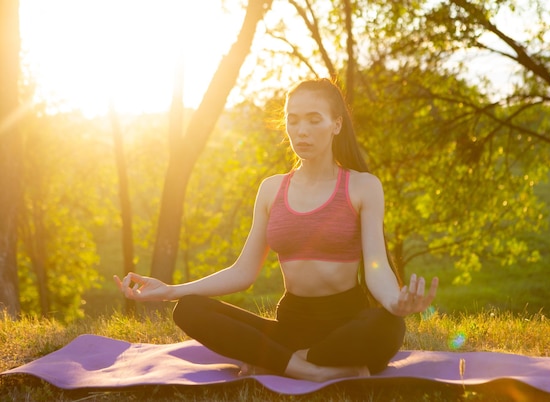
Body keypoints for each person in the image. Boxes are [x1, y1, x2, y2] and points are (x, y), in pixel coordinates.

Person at [114, 78, 438, 382]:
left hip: (347, 325)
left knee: (389, 326)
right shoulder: (271, 190)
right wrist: (171, 291)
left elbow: (376, 266)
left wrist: (396, 302)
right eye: (293, 120)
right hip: (291, 326)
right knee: (189, 309)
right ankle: (314, 370)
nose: (302, 131)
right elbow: (243, 272)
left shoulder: (363, 186)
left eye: (314, 119)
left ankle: (284, 362)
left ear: (336, 124)